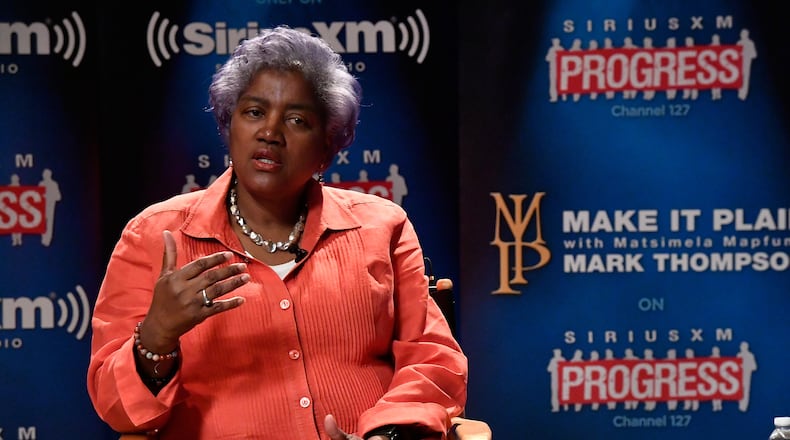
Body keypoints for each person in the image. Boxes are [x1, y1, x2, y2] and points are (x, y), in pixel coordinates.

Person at [87, 25, 468, 439]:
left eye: (297, 119)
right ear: (228, 125)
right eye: (254, 112)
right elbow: (118, 410)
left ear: (327, 145)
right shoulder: (154, 235)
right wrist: (156, 336)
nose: (270, 132)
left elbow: (430, 360)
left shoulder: (383, 226)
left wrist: (387, 435)